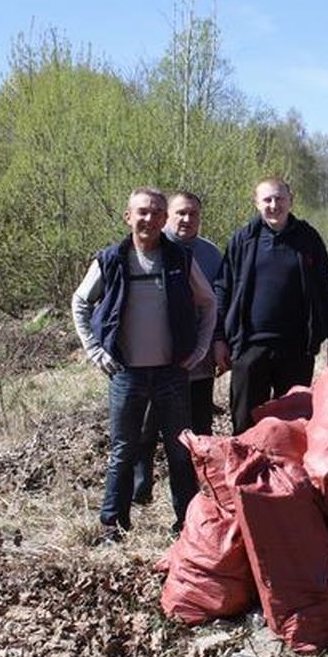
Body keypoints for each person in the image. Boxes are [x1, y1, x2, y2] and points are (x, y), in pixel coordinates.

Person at [71, 187, 217, 543]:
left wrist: (199, 350)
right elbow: (80, 303)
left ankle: (187, 525)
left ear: (164, 219)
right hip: (126, 373)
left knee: (179, 451)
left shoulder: (180, 260)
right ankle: (112, 526)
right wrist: (95, 351)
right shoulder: (111, 260)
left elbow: (209, 303)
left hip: (171, 373)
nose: (148, 219)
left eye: (155, 213)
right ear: (128, 217)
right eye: (142, 212)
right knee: (123, 449)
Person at [214, 177, 328, 435]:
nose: (274, 205)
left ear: (290, 200)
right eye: (267, 199)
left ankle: (286, 476)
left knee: (292, 427)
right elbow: (223, 289)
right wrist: (219, 338)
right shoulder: (243, 239)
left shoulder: (308, 239)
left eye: (280, 198)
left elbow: (325, 289)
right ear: (256, 203)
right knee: (245, 425)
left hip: (296, 348)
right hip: (249, 347)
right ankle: (247, 475)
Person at [132, 191, 223, 505]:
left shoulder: (212, 255)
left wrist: (217, 344)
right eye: (180, 213)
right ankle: (140, 488)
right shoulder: (148, 248)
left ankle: (200, 494)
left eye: (193, 214)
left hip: (197, 359)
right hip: (151, 361)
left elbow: (218, 304)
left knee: (197, 428)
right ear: (166, 216)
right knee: (146, 427)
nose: (186, 220)